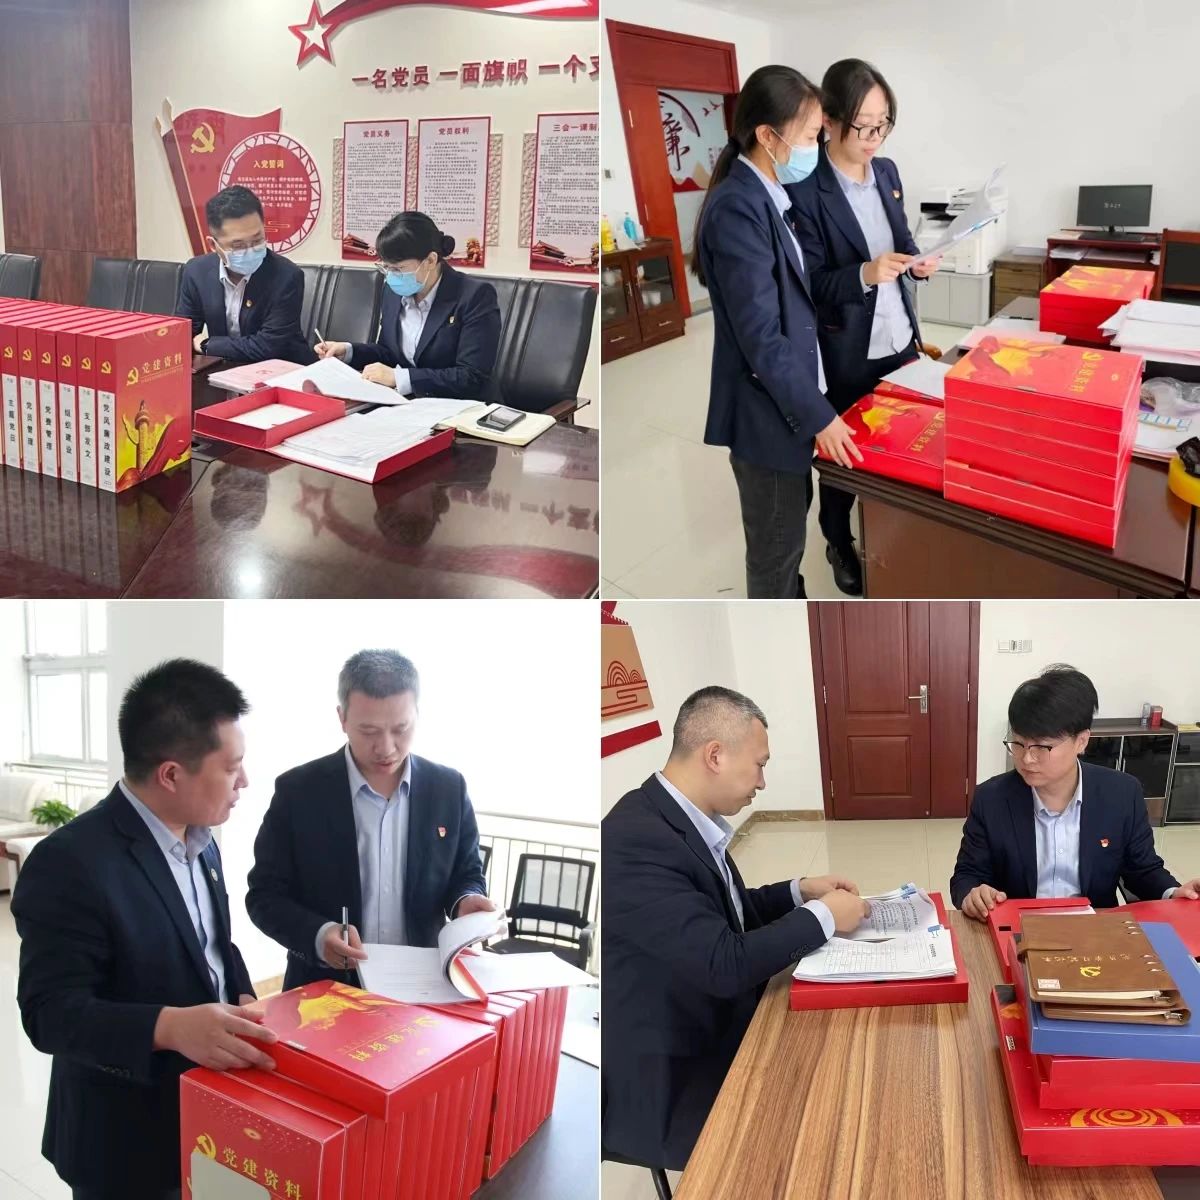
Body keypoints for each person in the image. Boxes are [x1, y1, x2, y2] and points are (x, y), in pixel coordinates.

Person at [12, 659, 273, 1200]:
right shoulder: (70, 863)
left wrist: (241, 993)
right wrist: (169, 1027)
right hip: (122, 1135)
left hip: (205, 1112)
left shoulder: (202, 840)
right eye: (232, 768)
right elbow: (49, 1013)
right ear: (171, 775)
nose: (244, 782)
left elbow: (212, 944)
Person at [602, 686, 869, 1171]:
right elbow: (724, 963)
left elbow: (729, 914)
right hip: (676, 1075)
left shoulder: (676, 816)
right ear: (715, 756)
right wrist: (826, 916)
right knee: (822, 1126)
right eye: (759, 765)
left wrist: (799, 891)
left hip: (713, 1020)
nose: (762, 783)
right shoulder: (634, 839)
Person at [694, 65, 864, 600]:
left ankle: (791, 597)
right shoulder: (737, 208)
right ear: (769, 136)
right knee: (775, 549)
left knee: (788, 532)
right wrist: (820, 415)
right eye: (811, 136)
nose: (818, 147)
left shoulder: (769, 195)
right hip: (766, 414)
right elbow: (761, 337)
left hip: (788, 401)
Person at [246, 649, 495, 991]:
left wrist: (467, 900)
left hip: (424, 991)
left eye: (400, 729)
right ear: (342, 718)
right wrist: (318, 935)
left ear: (418, 714)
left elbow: (466, 873)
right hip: (327, 990)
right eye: (369, 731)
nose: (386, 748)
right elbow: (264, 895)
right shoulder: (298, 792)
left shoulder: (448, 788)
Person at [790, 59, 939, 596]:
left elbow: (902, 240)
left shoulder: (888, 172)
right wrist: (864, 273)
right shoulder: (807, 190)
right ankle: (838, 540)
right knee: (846, 457)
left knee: (903, 439)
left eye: (883, 125)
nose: (874, 138)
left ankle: (890, 531)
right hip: (847, 349)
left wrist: (918, 262)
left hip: (900, 337)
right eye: (864, 127)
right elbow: (810, 282)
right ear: (829, 121)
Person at [950, 664, 1200, 919]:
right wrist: (973, 895)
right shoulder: (991, 799)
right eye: (1018, 744)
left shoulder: (1122, 794)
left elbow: (1143, 870)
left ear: (1081, 741)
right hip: (1019, 927)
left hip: (1094, 928)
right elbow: (967, 876)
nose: (1026, 758)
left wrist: (1174, 893)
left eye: (1042, 747)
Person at [316, 211, 503, 404]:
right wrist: (348, 351)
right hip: (409, 404)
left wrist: (401, 378)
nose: (391, 276)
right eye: (386, 268)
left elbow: (472, 377)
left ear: (430, 260)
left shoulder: (475, 296)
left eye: (398, 269)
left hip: (464, 408)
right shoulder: (394, 290)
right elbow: (389, 351)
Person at [176, 185, 316, 365]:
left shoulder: (287, 276)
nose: (250, 250)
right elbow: (184, 332)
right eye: (238, 245)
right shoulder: (196, 271)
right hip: (225, 371)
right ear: (213, 245)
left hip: (283, 369)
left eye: (257, 240)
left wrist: (207, 344)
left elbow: (268, 346)